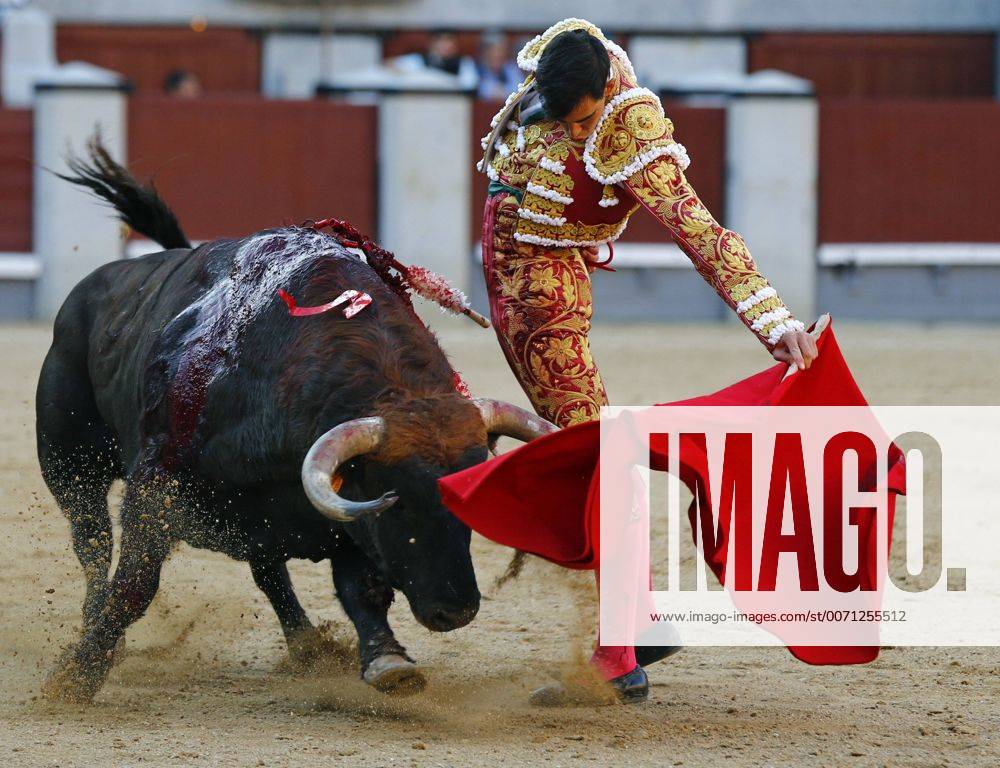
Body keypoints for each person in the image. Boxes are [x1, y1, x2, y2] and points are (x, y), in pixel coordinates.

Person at [477, 18, 818, 704]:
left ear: (607, 90)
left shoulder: (631, 129)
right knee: (585, 447)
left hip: (541, 290)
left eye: (583, 121)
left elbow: (701, 232)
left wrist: (772, 321)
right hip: (522, 279)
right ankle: (642, 619)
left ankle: (622, 649)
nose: (574, 134)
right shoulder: (561, 59)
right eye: (562, 118)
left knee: (586, 449)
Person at [476, 32, 521, 100]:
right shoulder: (478, 69)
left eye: (501, 50)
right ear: (486, 52)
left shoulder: (511, 68)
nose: (498, 54)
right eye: (494, 50)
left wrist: (500, 91)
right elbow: (481, 91)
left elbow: (519, 90)